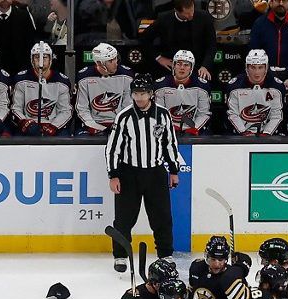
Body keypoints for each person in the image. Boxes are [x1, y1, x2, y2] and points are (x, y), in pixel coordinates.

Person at [105, 76, 181, 270]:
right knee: (124, 217)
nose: (139, 98)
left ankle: (165, 254)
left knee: (162, 217)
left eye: (143, 93)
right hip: (129, 173)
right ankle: (120, 255)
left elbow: (170, 144)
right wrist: (113, 174)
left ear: (151, 94)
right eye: (136, 94)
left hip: (155, 173)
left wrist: (173, 170)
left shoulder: (163, 115)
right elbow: (113, 148)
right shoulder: (124, 116)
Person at [138, 0, 217, 81]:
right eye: (187, 13)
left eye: (192, 11)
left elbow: (212, 45)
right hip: (171, 66)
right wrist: (159, 58)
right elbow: (144, 39)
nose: (191, 15)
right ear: (176, 10)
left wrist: (205, 66)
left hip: (198, 66)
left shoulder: (205, 17)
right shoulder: (164, 19)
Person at [8, 41, 72, 136]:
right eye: (37, 57)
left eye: (44, 57)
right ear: (32, 59)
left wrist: (54, 126)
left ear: (51, 59)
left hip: (53, 124)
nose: (41, 61)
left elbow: (65, 111)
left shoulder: (62, 81)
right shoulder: (21, 79)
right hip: (29, 125)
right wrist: (25, 123)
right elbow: (16, 108)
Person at [74, 43, 134, 136]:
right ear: (99, 63)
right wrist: (93, 125)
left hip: (119, 123)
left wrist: (118, 125)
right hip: (93, 123)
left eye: (115, 58)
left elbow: (128, 105)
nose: (116, 63)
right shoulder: (84, 77)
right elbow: (82, 108)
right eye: (111, 60)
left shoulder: (126, 75)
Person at [225, 49, 286, 135]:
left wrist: (267, 133)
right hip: (241, 136)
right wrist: (244, 132)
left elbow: (276, 116)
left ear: (266, 68)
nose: (256, 72)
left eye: (260, 67)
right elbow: (233, 114)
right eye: (253, 67)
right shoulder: (234, 87)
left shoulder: (277, 87)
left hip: (269, 137)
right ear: (247, 68)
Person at [250, 0, 288, 82]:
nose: (281, 3)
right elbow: (253, 49)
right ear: (271, 3)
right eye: (277, 1)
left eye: (284, 1)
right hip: (265, 77)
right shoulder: (260, 24)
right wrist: (266, 70)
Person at [154, 49, 213, 135]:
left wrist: (194, 128)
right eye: (179, 64)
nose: (182, 67)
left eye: (186, 65)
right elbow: (159, 113)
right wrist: (170, 127)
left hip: (195, 130)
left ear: (191, 68)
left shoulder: (202, 87)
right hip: (168, 129)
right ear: (173, 66)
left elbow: (204, 114)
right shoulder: (161, 86)